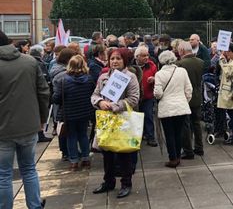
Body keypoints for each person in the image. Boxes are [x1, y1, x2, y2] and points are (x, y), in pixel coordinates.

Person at [0, 30, 50, 209]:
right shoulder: (30, 62)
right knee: (29, 169)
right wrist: (43, 119)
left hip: (3, 131)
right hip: (29, 125)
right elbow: (43, 92)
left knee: (3, 174)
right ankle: (35, 205)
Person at [91, 48, 140, 199]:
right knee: (107, 154)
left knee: (123, 153)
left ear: (124, 60)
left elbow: (134, 98)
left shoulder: (130, 77)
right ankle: (109, 181)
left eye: (118, 58)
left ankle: (126, 183)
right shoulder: (103, 77)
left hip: (122, 121)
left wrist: (115, 105)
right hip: (106, 121)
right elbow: (94, 94)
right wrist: (100, 102)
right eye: (112, 58)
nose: (115, 61)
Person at [52, 55, 95, 171]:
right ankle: (86, 159)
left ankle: (74, 161)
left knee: (71, 136)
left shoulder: (63, 81)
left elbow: (56, 99)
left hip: (69, 114)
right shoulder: (89, 79)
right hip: (85, 112)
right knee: (83, 134)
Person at [154, 51, 192, 167]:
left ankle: (173, 158)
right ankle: (178, 156)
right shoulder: (182, 71)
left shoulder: (159, 74)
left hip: (166, 108)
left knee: (169, 134)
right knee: (178, 132)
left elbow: (158, 93)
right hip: (181, 106)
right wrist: (185, 101)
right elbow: (188, 89)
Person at [176, 42, 205, 158]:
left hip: (185, 97)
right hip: (197, 96)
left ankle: (188, 150)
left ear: (182, 50)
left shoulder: (180, 64)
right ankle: (199, 148)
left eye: (179, 50)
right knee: (196, 123)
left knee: (185, 125)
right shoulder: (200, 62)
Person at [134, 46, 158, 147]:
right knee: (135, 117)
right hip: (135, 97)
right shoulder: (131, 67)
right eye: (143, 56)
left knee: (148, 116)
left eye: (147, 55)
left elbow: (158, 77)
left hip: (148, 96)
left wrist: (154, 79)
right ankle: (137, 137)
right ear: (137, 57)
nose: (146, 57)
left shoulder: (151, 65)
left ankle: (151, 137)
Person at [29, 46, 53, 143]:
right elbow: (44, 77)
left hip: (32, 91)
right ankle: (40, 134)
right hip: (38, 92)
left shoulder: (31, 62)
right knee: (40, 112)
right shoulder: (38, 63)